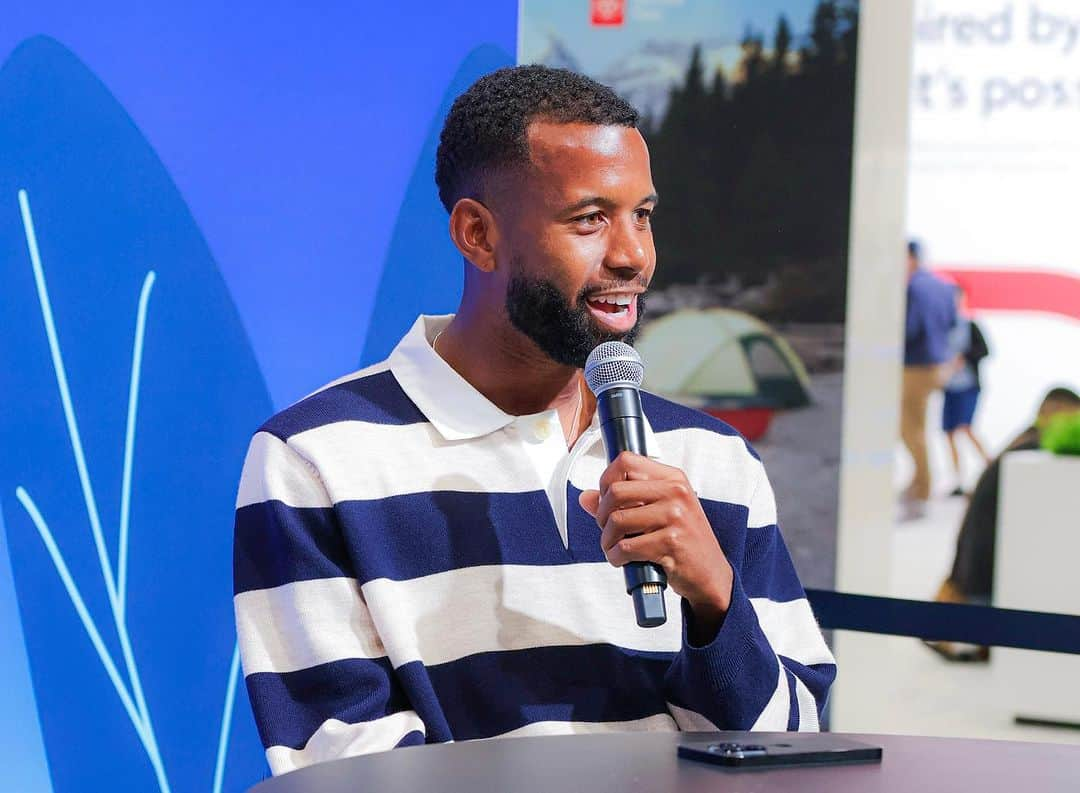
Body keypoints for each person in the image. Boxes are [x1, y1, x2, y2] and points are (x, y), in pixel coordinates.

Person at [233, 66, 834, 776]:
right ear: (478, 235)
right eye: (590, 218)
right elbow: (339, 771)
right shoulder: (313, 461)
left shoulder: (714, 459)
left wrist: (715, 601)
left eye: (642, 214)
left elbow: (797, 753)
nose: (633, 254)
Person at [928, 387, 1080, 661]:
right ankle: (965, 640)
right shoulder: (1033, 448)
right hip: (985, 572)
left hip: (974, 564)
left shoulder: (1021, 443)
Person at [900, 240, 957, 518]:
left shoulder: (913, 287)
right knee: (918, 426)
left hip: (914, 365)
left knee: (910, 429)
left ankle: (923, 485)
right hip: (935, 364)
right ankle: (919, 481)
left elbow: (910, 327)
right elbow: (952, 323)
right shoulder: (943, 286)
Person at [941, 285, 990, 495]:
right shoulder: (944, 326)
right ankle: (957, 480)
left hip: (968, 385)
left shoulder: (970, 325)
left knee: (966, 428)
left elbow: (985, 351)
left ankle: (991, 468)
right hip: (950, 386)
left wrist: (965, 357)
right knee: (950, 432)